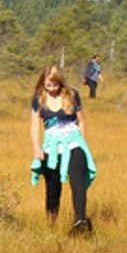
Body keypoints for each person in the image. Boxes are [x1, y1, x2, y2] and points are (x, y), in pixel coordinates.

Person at [29, 63, 96, 235]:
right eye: (48, 84)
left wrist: (82, 143)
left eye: (55, 84)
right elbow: (35, 124)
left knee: (78, 182)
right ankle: (52, 223)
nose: (52, 88)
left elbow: (81, 121)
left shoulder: (72, 95)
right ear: (43, 82)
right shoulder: (39, 98)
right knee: (53, 187)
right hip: (51, 147)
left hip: (73, 142)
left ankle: (80, 221)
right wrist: (37, 147)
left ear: (61, 82)